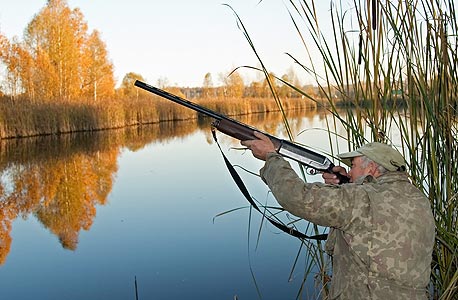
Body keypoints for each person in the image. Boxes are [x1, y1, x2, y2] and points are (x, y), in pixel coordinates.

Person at [241, 132, 435, 299]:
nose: (349, 172)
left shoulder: (360, 198)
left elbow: (297, 196)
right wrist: (346, 186)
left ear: (372, 168)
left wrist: (271, 157)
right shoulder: (417, 198)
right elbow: (371, 228)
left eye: (354, 165)